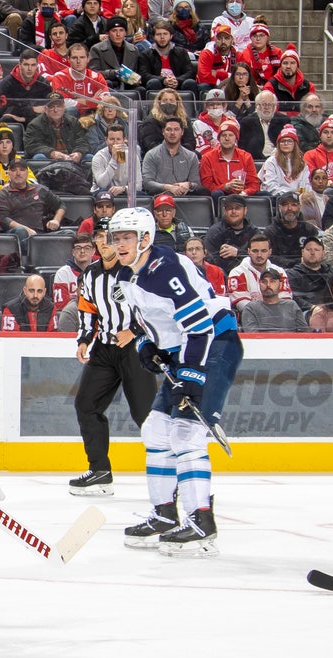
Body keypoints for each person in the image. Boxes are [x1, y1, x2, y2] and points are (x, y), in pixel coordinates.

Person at [110, 206, 242, 557]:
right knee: (155, 429)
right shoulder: (128, 274)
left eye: (128, 237)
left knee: (185, 432)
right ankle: (165, 513)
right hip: (185, 350)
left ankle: (201, 519)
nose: (120, 243)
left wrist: (193, 377)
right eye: (117, 237)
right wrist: (147, 345)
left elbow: (200, 327)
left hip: (215, 345)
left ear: (146, 238)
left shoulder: (166, 270)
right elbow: (145, 322)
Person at [68, 229, 155, 496]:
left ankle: (170, 471)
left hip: (134, 349)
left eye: (111, 238)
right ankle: (100, 471)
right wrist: (84, 339)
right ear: (95, 242)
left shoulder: (135, 271)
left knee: (146, 415)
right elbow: (87, 309)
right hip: (105, 348)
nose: (106, 243)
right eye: (101, 238)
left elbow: (153, 308)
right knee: (86, 404)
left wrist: (136, 332)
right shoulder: (90, 274)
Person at [0, 159, 66, 261]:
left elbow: (61, 205)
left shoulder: (40, 190)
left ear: (27, 172)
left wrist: (56, 220)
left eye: (22, 170)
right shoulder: (3, 194)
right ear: (9, 173)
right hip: (16, 235)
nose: (18, 173)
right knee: (21, 231)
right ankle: (27, 263)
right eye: (14, 170)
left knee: (69, 234)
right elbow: (3, 218)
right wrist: (27, 230)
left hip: (40, 236)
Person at [198, 117, 259, 199]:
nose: (227, 138)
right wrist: (225, 187)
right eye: (223, 135)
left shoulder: (246, 157)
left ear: (236, 138)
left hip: (242, 196)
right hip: (220, 196)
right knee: (217, 194)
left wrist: (245, 192)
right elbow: (206, 186)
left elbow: (254, 183)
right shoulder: (207, 157)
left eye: (230, 135)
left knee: (265, 194)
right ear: (219, 138)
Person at [226, 235, 291, 312]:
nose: (259, 255)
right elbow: (242, 305)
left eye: (263, 251)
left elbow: (286, 300)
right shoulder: (237, 273)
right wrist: (264, 313)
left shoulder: (280, 272)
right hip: (250, 318)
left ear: (270, 252)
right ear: (249, 251)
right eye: (255, 251)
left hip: (278, 315)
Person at [141, 117, 201, 198]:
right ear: (163, 132)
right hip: (159, 199)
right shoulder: (151, 155)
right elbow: (147, 183)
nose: (172, 133)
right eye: (168, 129)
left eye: (176, 129)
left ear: (182, 132)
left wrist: (188, 184)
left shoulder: (191, 156)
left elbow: (196, 183)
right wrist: (168, 187)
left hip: (184, 198)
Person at [23, 91, 89, 165]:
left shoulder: (73, 121)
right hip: (49, 158)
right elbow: (31, 146)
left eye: (59, 106)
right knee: (39, 157)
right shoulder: (35, 124)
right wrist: (51, 153)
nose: (55, 110)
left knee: (89, 157)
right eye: (51, 107)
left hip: (71, 157)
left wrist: (78, 152)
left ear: (64, 107)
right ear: (45, 108)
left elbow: (82, 141)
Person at [0, 49, 53, 125]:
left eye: (33, 65)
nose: (30, 69)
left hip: (36, 121)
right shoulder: (6, 84)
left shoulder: (44, 84)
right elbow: (2, 111)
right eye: (26, 65)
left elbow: (48, 109)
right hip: (13, 122)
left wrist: (23, 118)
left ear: (37, 65)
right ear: (19, 65)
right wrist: (32, 109)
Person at [263, 191, 320, 268]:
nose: (289, 208)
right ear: (279, 208)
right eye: (285, 205)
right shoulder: (270, 232)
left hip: (305, 271)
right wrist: (298, 261)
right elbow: (269, 258)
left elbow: (317, 254)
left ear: (299, 207)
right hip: (279, 272)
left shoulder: (310, 230)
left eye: (293, 205)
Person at [137, 19, 196, 94]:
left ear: (171, 36)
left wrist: (177, 80)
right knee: (153, 82)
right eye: (158, 34)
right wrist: (163, 80)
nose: (162, 37)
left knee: (190, 82)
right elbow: (144, 75)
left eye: (165, 34)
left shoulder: (182, 52)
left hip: (178, 85)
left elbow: (189, 72)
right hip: (158, 85)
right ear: (154, 37)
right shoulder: (145, 55)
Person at [240, 268, 309, 332]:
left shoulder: (291, 305)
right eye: (264, 281)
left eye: (272, 281)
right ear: (259, 284)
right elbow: (252, 337)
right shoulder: (251, 308)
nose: (268, 285)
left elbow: (304, 333)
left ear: (280, 284)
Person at [204, 194, 260, 274]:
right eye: (230, 208)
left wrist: (238, 253)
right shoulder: (214, 232)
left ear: (245, 210)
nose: (233, 212)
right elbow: (209, 259)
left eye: (237, 208)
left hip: (250, 274)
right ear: (224, 211)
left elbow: (260, 256)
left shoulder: (254, 232)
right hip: (222, 275)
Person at [51, 43, 109, 119]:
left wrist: (80, 101)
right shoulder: (60, 77)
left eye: (82, 57)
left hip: (93, 117)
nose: (78, 61)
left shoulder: (96, 76)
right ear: (68, 59)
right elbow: (62, 103)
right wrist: (91, 101)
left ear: (88, 59)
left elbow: (106, 99)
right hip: (69, 120)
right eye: (74, 58)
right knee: (71, 110)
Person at [88, 16, 140, 90]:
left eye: (121, 30)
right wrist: (114, 73)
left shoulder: (134, 50)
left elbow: (137, 72)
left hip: (128, 86)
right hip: (109, 85)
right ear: (108, 33)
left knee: (140, 89)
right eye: (114, 31)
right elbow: (93, 73)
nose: (118, 34)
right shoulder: (96, 49)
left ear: (125, 33)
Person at [259, 124, 312, 197]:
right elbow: (270, 186)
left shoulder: (302, 163)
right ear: (278, 144)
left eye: (289, 141)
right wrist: (289, 195)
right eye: (282, 141)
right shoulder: (271, 162)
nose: (286, 144)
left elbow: (305, 185)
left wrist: (297, 195)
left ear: (295, 144)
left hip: (298, 198)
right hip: (277, 197)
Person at [0, 124, 36, 192]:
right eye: (1, 143)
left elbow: (33, 181)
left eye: (8, 142)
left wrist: (19, 186)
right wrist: (8, 188)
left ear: (13, 145)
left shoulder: (18, 159)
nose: (5, 146)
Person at [286, 237, 333, 313]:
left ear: (323, 253)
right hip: (307, 312)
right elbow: (294, 297)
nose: (312, 253)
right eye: (308, 249)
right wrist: (312, 307)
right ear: (302, 252)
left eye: (316, 250)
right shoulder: (293, 274)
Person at [261, 47, 315, 116]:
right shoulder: (270, 86)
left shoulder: (309, 86)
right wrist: (298, 114)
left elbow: (312, 111)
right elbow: (271, 112)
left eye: (292, 63)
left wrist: (287, 114)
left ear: (297, 66)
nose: (288, 66)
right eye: (285, 63)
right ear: (280, 66)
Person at [137, 88, 189, 154]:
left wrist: (178, 152)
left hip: (181, 154)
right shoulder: (150, 121)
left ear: (177, 103)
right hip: (158, 155)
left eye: (171, 100)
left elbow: (190, 142)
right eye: (165, 100)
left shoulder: (184, 119)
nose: (168, 103)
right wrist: (168, 153)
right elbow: (150, 144)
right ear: (159, 102)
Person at [53, 233, 96, 312]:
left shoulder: (100, 272)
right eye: (78, 248)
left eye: (87, 248)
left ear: (93, 251)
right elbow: (61, 306)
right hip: (72, 317)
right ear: (73, 252)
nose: (82, 251)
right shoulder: (63, 273)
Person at [239, 91, 288, 160]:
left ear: (274, 107)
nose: (267, 107)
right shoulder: (247, 122)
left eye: (270, 104)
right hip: (255, 160)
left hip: (279, 159)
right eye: (264, 104)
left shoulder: (283, 120)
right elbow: (244, 148)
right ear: (257, 106)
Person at [91, 122, 135, 197]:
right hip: (103, 195)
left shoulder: (131, 156)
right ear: (106, 140)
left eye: (118, 139)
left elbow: (138, 185)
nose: (115, 143)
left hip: (124, 194)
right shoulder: (98, 157)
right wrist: (114, 159)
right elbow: (102, 184)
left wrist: (124, 189)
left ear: (124, 140)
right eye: (111, 139)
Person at [197, 24, 237, 95]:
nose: (223, 41)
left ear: (232, 40)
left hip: (233, 86)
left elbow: (241, 76)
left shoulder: (238, 53)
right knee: (203, 86)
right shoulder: (207, 53)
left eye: (227, 38)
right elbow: (204, 78)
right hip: (211, 86)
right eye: (219, 38)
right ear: (215, 39)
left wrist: (219, 74)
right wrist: (223, 82)